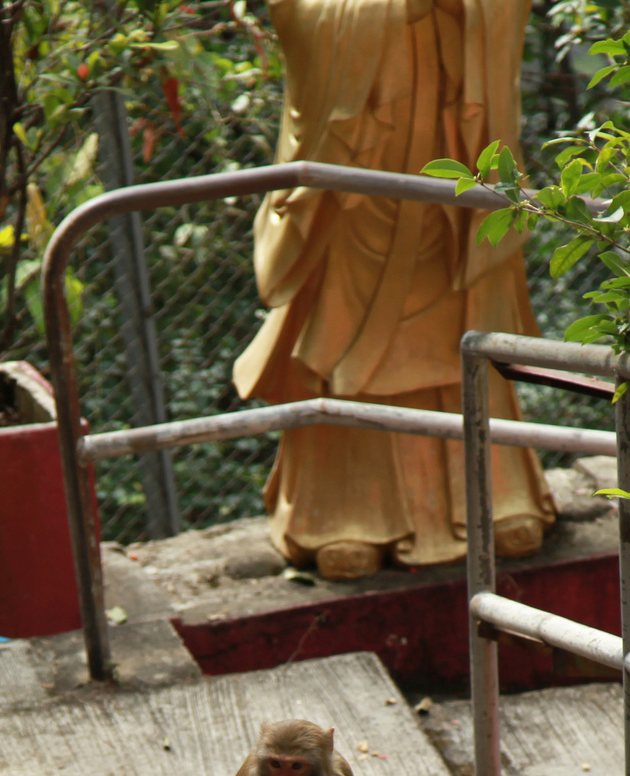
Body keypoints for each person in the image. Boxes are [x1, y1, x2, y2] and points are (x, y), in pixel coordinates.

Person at [234, 0, 556, 580]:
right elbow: (299, 13)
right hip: (359, 167)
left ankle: (497, 493)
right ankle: (341, 511)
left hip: (455, 142)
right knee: (341, 328)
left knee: (464, 321)